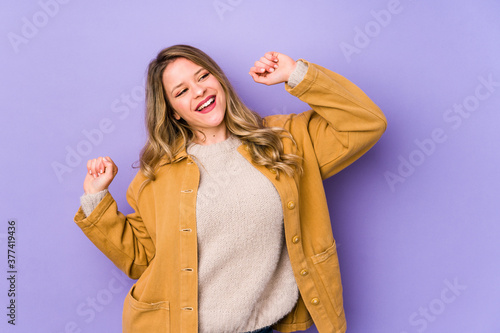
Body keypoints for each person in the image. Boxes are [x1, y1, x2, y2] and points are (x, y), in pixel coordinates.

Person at [74, 44, 387, 333]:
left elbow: (365, 122)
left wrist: (296, 74)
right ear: (173, 111)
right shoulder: (155, 176)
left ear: (219, 79)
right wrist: (96, 199)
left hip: (261, 327)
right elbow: (140, 259)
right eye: (182, 91)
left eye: (203, 76)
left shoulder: (286, 141)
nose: (199, 91)